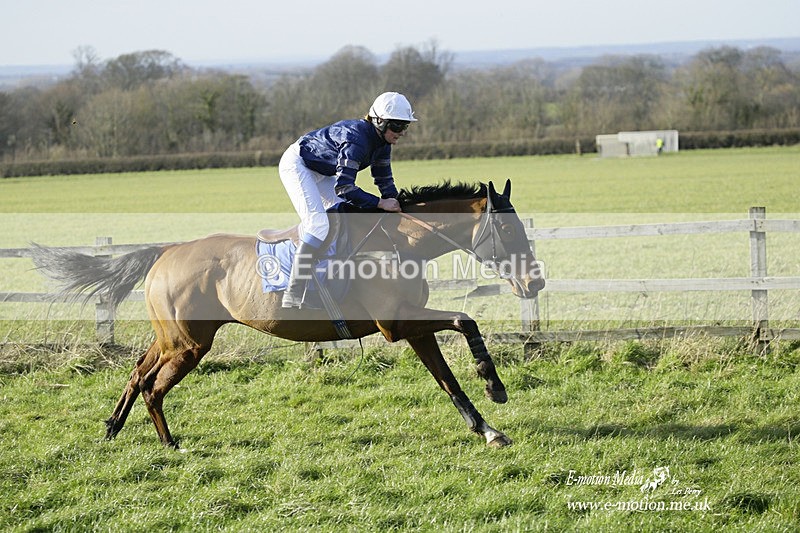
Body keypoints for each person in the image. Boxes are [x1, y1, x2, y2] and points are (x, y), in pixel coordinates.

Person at [277, 91, 417, 308]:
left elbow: (384, 180)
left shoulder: (382, 144)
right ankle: (294, 294)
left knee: (345, 216)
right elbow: (344, 188)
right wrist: (380, 203)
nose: (402, 132)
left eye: (405, 126)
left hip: (322, 170)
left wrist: (398, 204)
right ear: (379, 122)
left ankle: (333, 277)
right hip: (299, 166)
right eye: (397, 126)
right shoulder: (357, 139)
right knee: (318, 224)